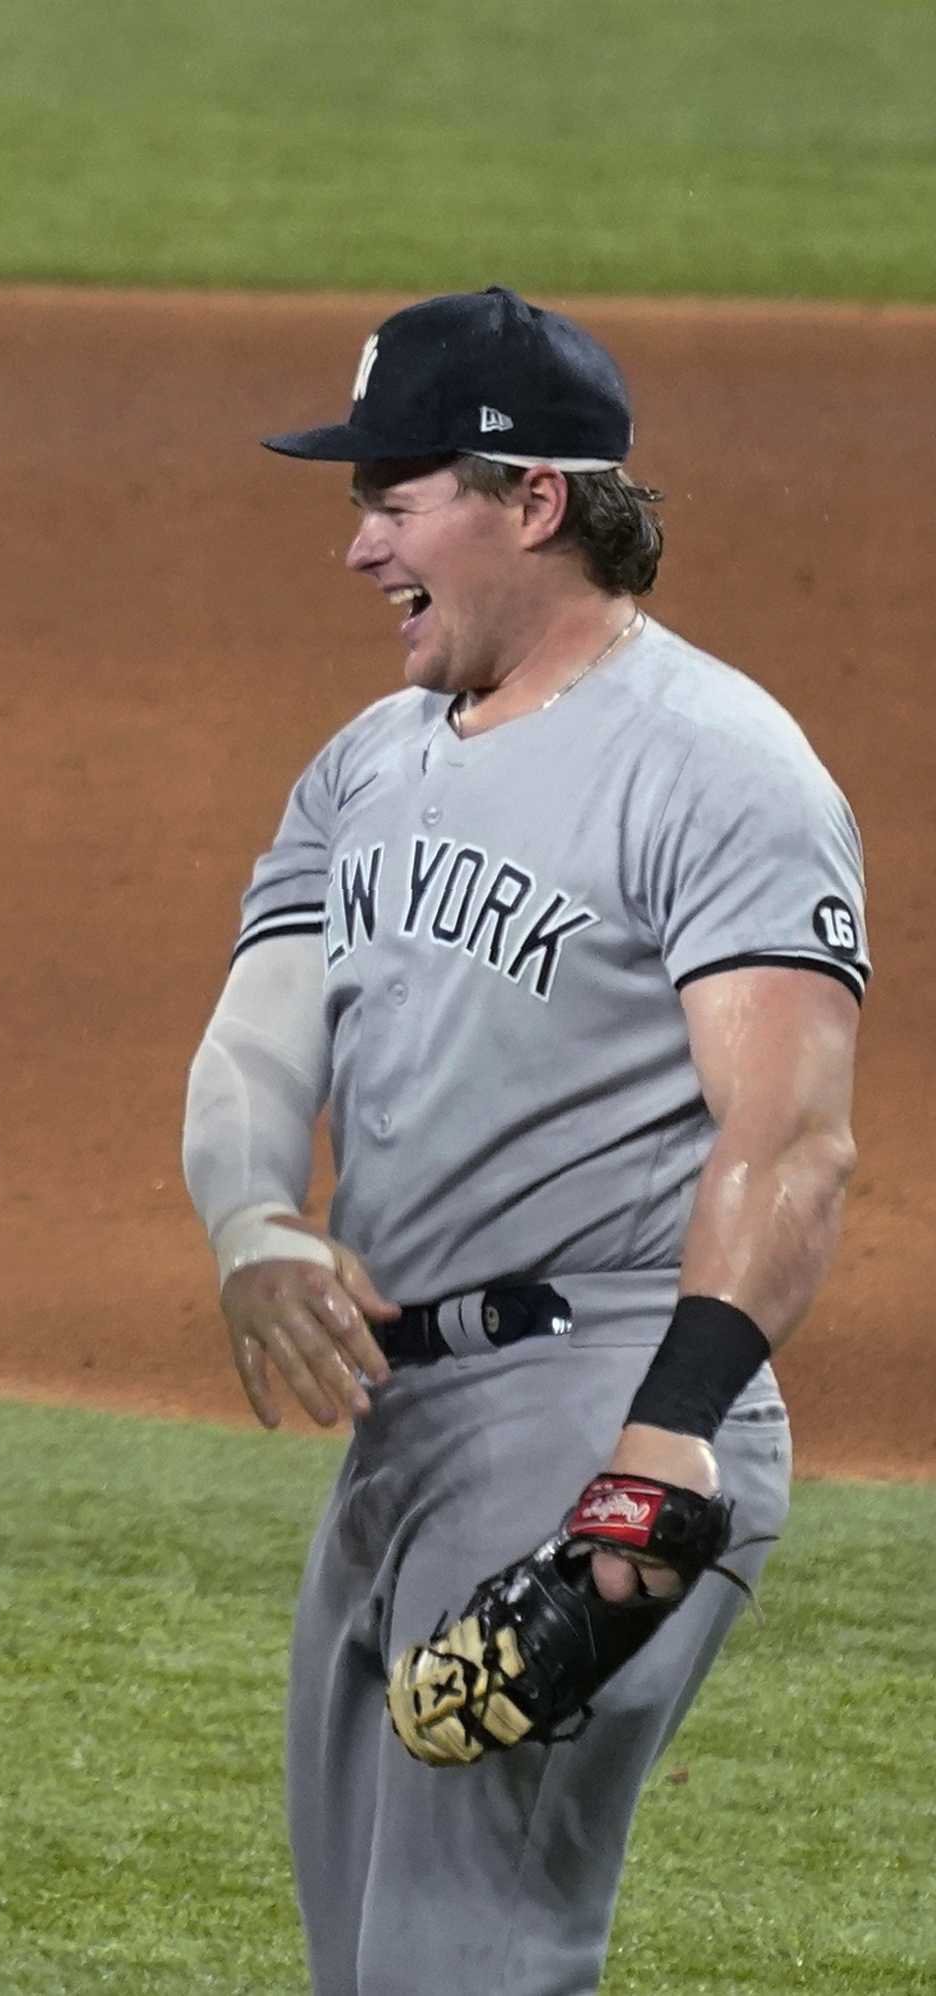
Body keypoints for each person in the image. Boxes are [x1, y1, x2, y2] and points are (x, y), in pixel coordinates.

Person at [181, 288, 863, 1993]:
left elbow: (790, 1141)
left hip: (601, 1402)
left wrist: (665, 1449)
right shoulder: (365, 765)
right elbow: (261, 1032)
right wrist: (256, 1217)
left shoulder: (718, 764)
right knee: (381, 1967)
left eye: (394, 501)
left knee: (465, 1961)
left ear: (530, 499)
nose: (358, 550)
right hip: (404, 1421)